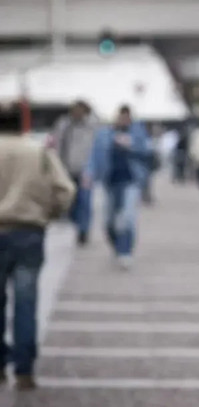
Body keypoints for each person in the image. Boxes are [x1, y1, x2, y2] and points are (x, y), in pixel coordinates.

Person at [0, 113, 75, 389]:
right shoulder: (38, 152)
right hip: (28, 231)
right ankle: (24, 368)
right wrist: (49, 213)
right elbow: (66, 190)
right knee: (26, 302)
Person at [86, 105, 152, 270]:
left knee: (127, 218)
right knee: (109, 221)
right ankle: (117, 246)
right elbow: (94, 155)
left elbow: (148, 152)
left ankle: (125, 251)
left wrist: (131, 144)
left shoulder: (137, 133)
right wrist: (89, 173)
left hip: (131, 180)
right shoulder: (104, 134)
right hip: (109, 181)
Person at [51, 100, 98, 246]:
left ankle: (83, 230)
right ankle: (76, 223)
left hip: (85, 170)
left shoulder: (92, 125)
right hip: (66, 169)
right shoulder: (64, 124)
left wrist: (93, 168)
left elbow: (96, 148)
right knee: (70, 201)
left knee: (85, 201)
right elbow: (56, 144)